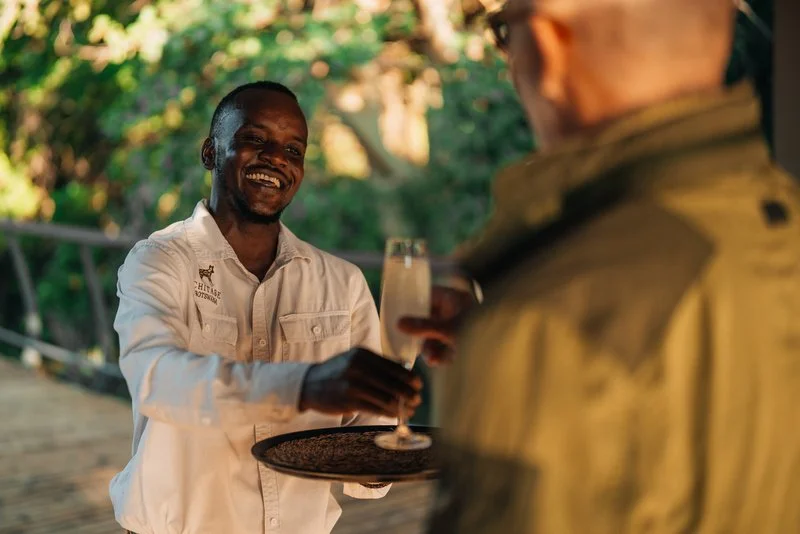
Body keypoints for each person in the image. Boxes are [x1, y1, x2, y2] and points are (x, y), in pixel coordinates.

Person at [402, 0, 800, 532]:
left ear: (547, 43)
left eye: (503, 33)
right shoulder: (774, 222)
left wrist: (520, 347)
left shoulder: (548, 320)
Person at [109, 80, 422, 534]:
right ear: (210, 153)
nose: (277, 158)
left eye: (294, 150)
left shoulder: (343, 282)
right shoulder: (159, 261)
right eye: (254, 139)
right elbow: (157, 378)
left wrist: (397, 398)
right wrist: (304, 385)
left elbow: (366, 449)